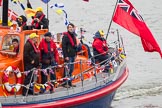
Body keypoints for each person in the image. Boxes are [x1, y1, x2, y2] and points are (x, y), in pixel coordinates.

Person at [62, 23, 77, 88]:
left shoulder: (73, 36)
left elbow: (75, 45)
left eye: (72, 27)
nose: (71, 28)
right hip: (68, 55)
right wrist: (66, 56)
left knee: (71, 69)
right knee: (67, 70)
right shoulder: (65, 36)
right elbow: (64, 47)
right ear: (68, 28)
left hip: (73, 54)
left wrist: (76, 53)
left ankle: (70, 81)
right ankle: (65, 82)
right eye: (69, 27)